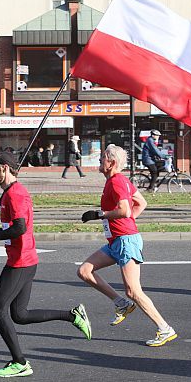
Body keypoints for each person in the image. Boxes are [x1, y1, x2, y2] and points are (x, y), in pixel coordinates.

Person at [0, 151, 91, 378]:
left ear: (4, 168)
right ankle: (73, 315)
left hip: (21, 262)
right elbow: (15, 228)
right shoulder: (9, 192)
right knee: (19, 315)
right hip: (24, 259)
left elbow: (20, 228)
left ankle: (19, 362)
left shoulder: (15, 194)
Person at [77, 144, 177, 347]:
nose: (99, 160)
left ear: (111, 162)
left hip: (125, 241)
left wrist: (100, 215)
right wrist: (128, 224)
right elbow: (141, 203)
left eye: (102, 157)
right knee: (85, 271)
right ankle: (121, 304)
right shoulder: (117, 181)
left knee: (133, 291)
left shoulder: (116, 182)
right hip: (117, 240)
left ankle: (165, 329)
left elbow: (124, 210)